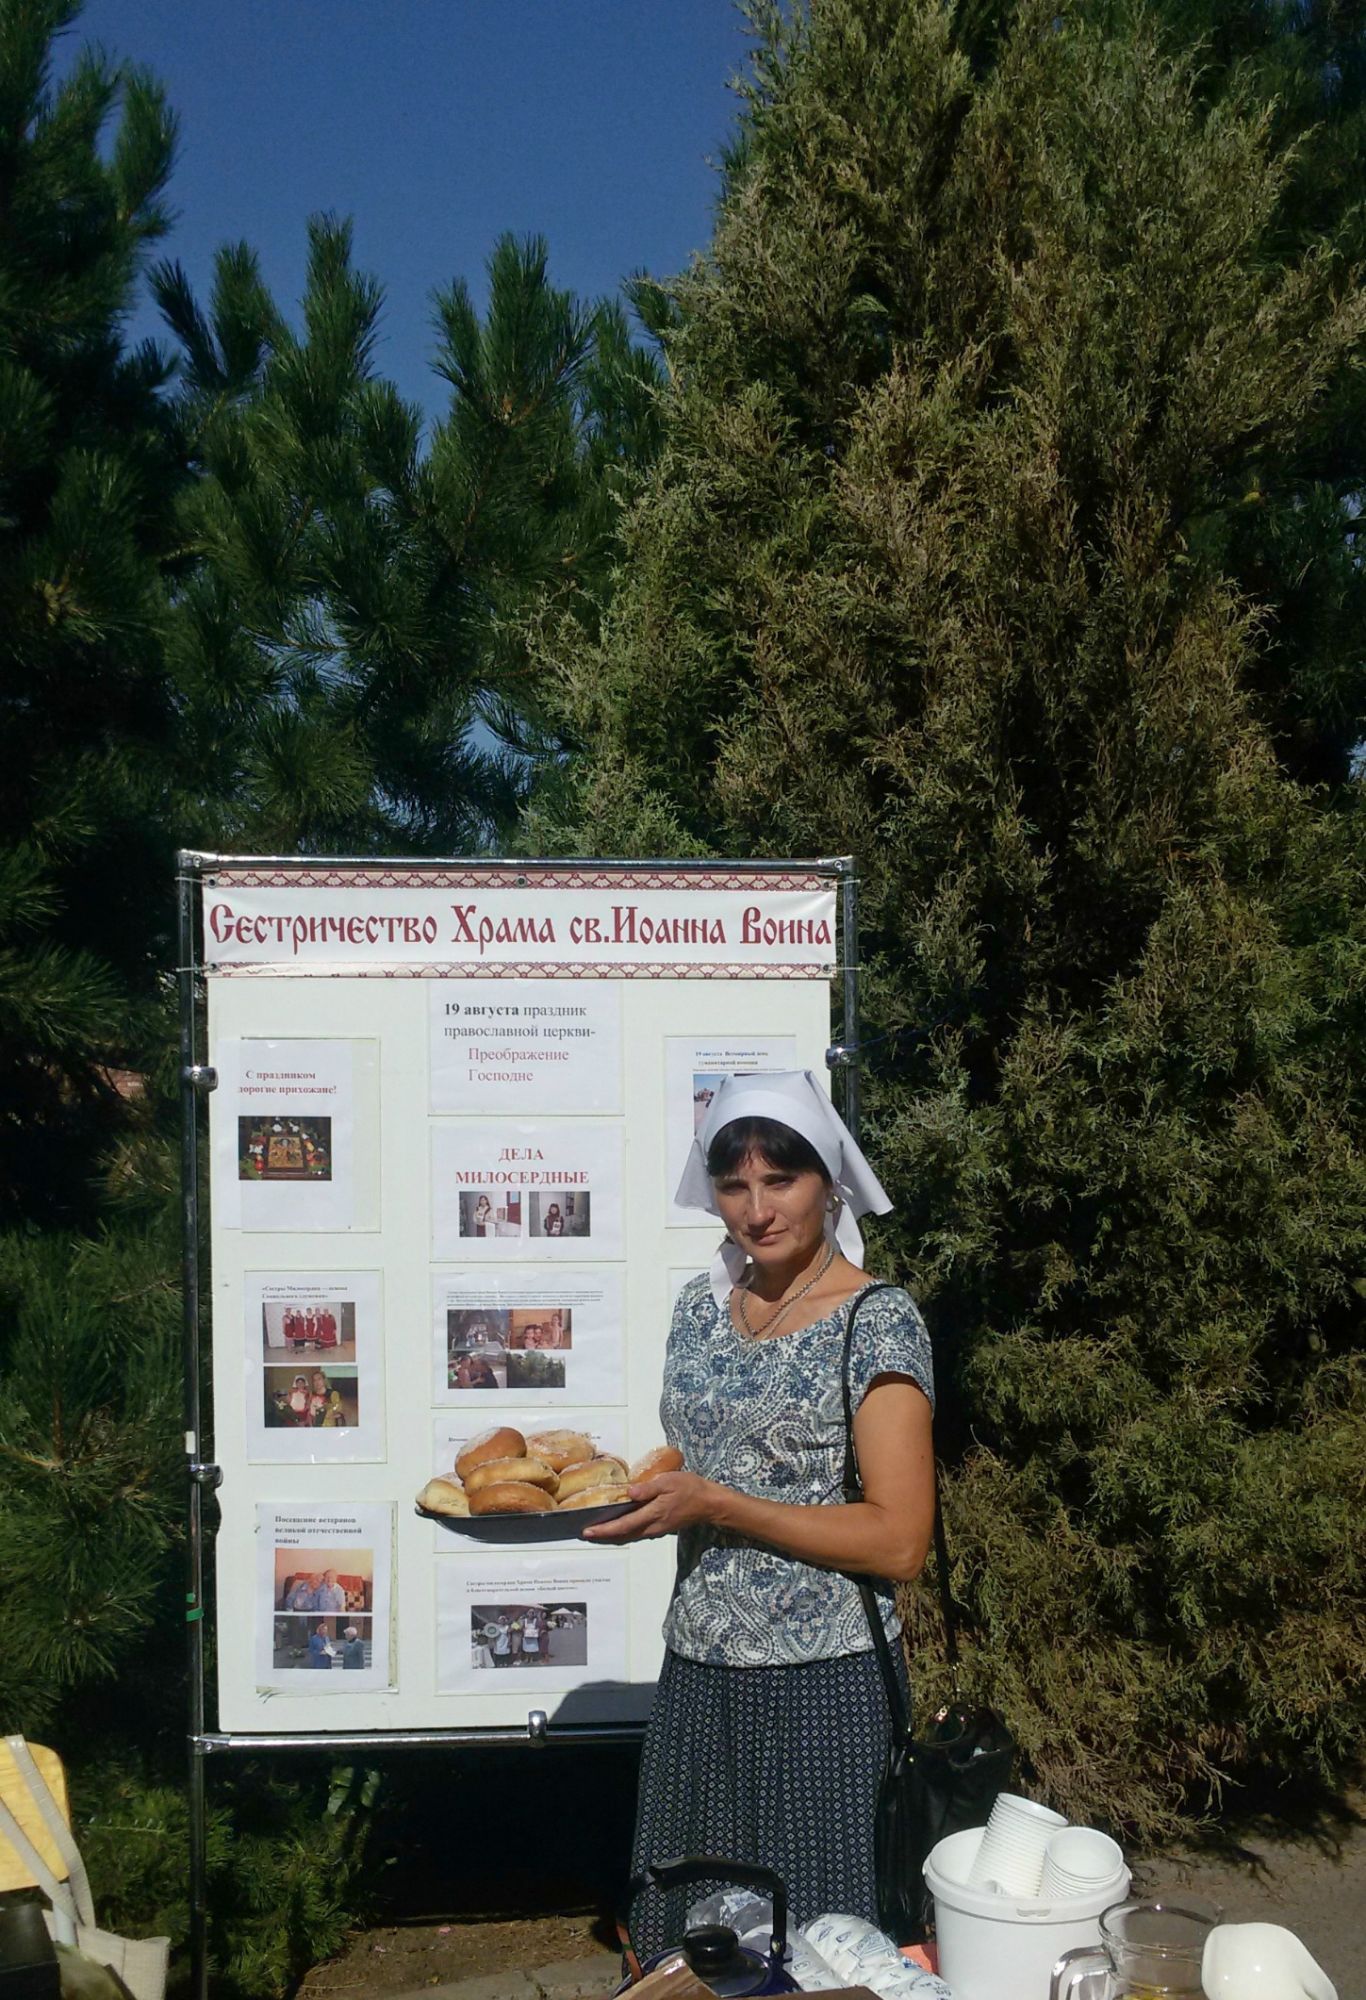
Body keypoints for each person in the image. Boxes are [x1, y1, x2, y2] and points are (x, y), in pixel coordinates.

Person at [586, 1071, 935, 1954]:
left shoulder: (877, 1321)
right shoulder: (700, 1310)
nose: (757, 1209)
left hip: (821, 1687)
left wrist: (719, 1505)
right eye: (734, 1185)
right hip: (700, 1673)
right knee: (694, 1947)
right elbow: (701, 1462)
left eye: (781, 1180)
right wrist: (633, 1492)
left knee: (816, 1947)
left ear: (829, 1183)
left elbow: (900, 1541)